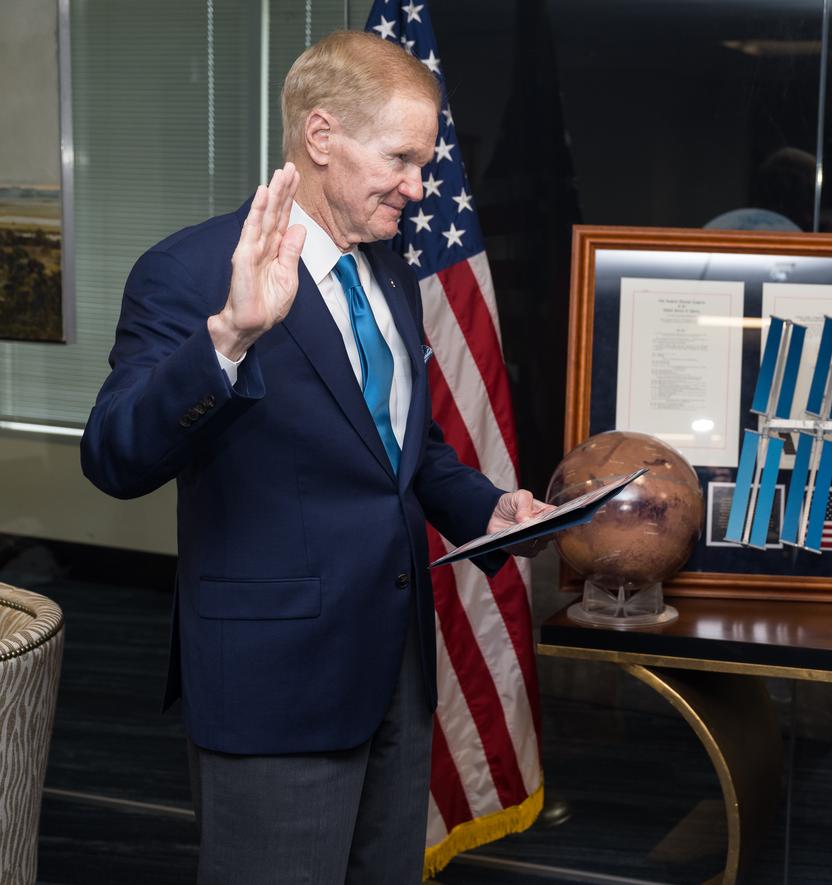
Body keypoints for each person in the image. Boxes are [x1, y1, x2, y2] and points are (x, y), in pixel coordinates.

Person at [81, 31, 550, 884]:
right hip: (275, 690)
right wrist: (226, 342)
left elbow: (405, 452)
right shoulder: (191, 273)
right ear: (322, 137)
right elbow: (113, 456)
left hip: (398, 679)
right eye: (402, 158)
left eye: (424, 160)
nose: (420, 184)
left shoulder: (393, 269)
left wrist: (489, 508)